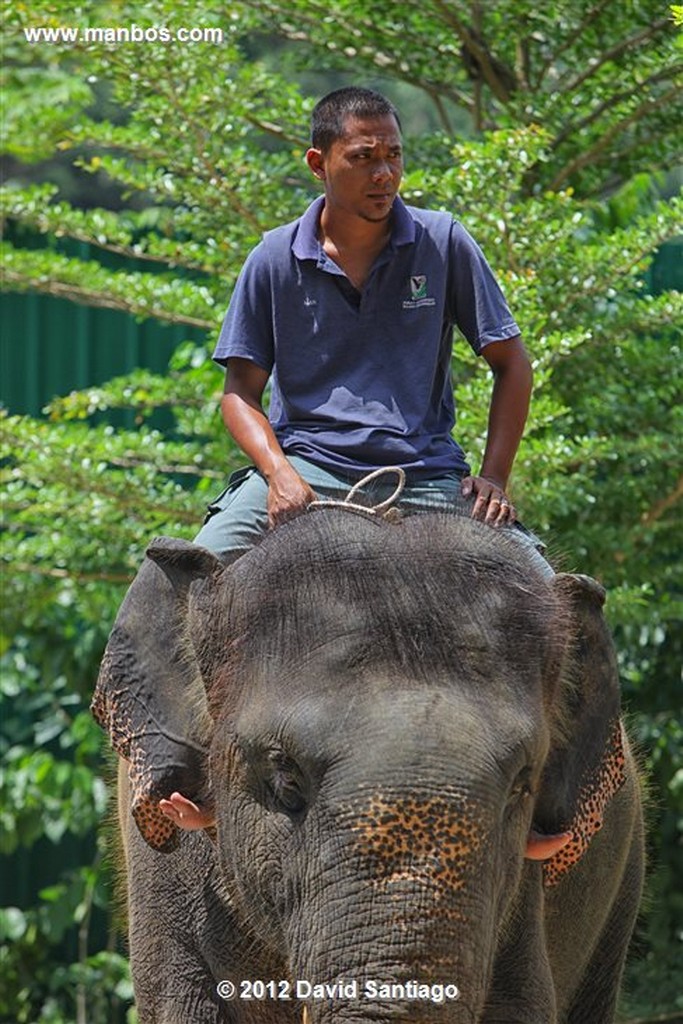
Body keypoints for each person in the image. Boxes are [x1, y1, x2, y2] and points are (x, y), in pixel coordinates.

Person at [159, 85, 538, 832]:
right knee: (180, 580)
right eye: (363, 158)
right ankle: (176, 775)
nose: (384, 174)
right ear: (317, 163)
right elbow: (239, 391)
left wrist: (492, 476)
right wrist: (276, 473)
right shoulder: (273, 258)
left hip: (426, 474)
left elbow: (511, 363)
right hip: (309, 468)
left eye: (393, 156)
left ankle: (561, 800)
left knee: (552, 595)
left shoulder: (442, 241)